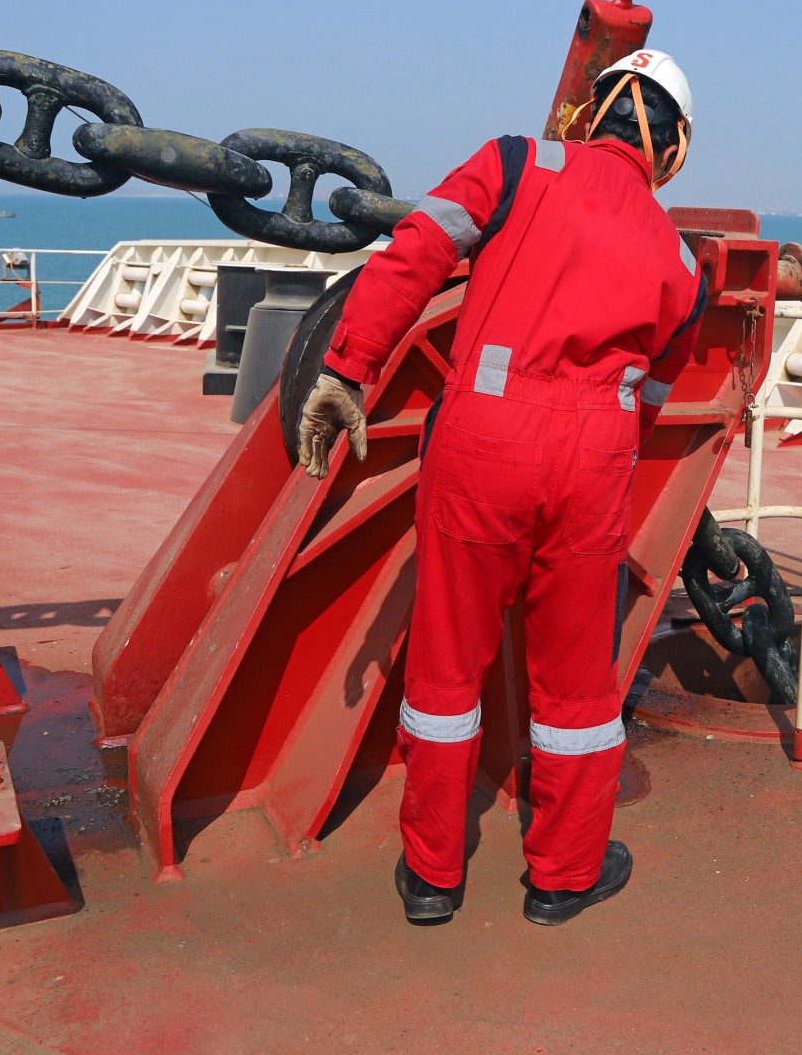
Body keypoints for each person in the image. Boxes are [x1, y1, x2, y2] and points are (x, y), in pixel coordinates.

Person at [296, 50, 706, 921]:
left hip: (484, 439)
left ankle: (432, 878)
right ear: (671, 150)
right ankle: (564, 877)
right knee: (577, 682)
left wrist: (347, 369)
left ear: (587, 113)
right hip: (596, 457)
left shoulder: (514, 163)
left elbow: (413, 256)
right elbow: (654, 398)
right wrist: (593, 444)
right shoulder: (683, 261)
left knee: (448, 662)